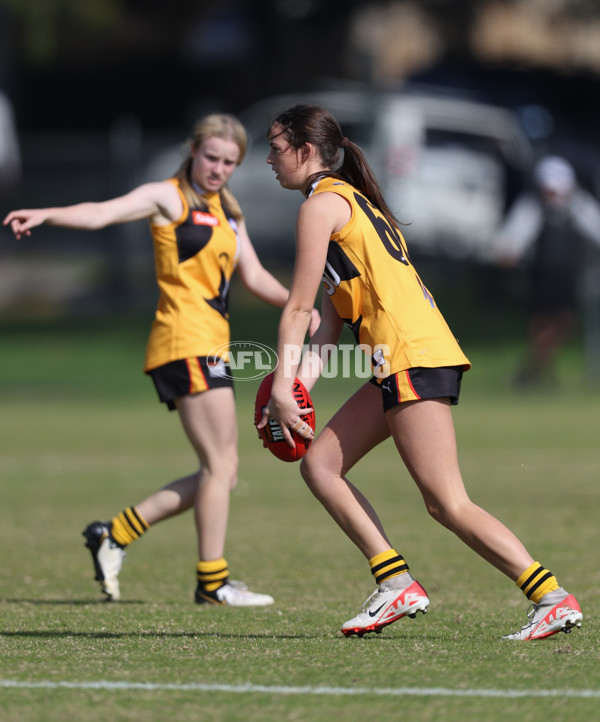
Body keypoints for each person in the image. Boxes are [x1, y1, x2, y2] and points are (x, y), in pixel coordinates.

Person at [258, 104, 582, 640]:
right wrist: (293, 389)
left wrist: (278, 391)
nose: (268, 159)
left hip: (410, 356)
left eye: (274, 147)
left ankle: (550, 596)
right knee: (320, 466)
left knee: (446, 502)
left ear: (305, 150)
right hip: (403, 358)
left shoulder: (322, 206)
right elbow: (330, 323)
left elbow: (296, 309)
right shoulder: (351, 203)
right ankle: (395, 583)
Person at [4, 113, 318, 606]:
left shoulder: (229, 212)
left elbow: (253, 276)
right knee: (220, 464)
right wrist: (47, 214)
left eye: (228, 162)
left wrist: (302, 308)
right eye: (211, 157)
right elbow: (103, 212)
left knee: (224, 471)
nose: (217, 168)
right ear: (193, 152)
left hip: (213, 346)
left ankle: (114, 534)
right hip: (181, 340)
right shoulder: (168, 196)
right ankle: (211, 582)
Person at [493, 155, 600, 387]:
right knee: (541, 325)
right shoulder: (533, 207)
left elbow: (595, 230)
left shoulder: (579, 206)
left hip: (568, 276)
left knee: (566, 323)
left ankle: (532, 370)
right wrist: (509, 251)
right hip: (540, 275)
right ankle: (537, 374)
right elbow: (516, 234)